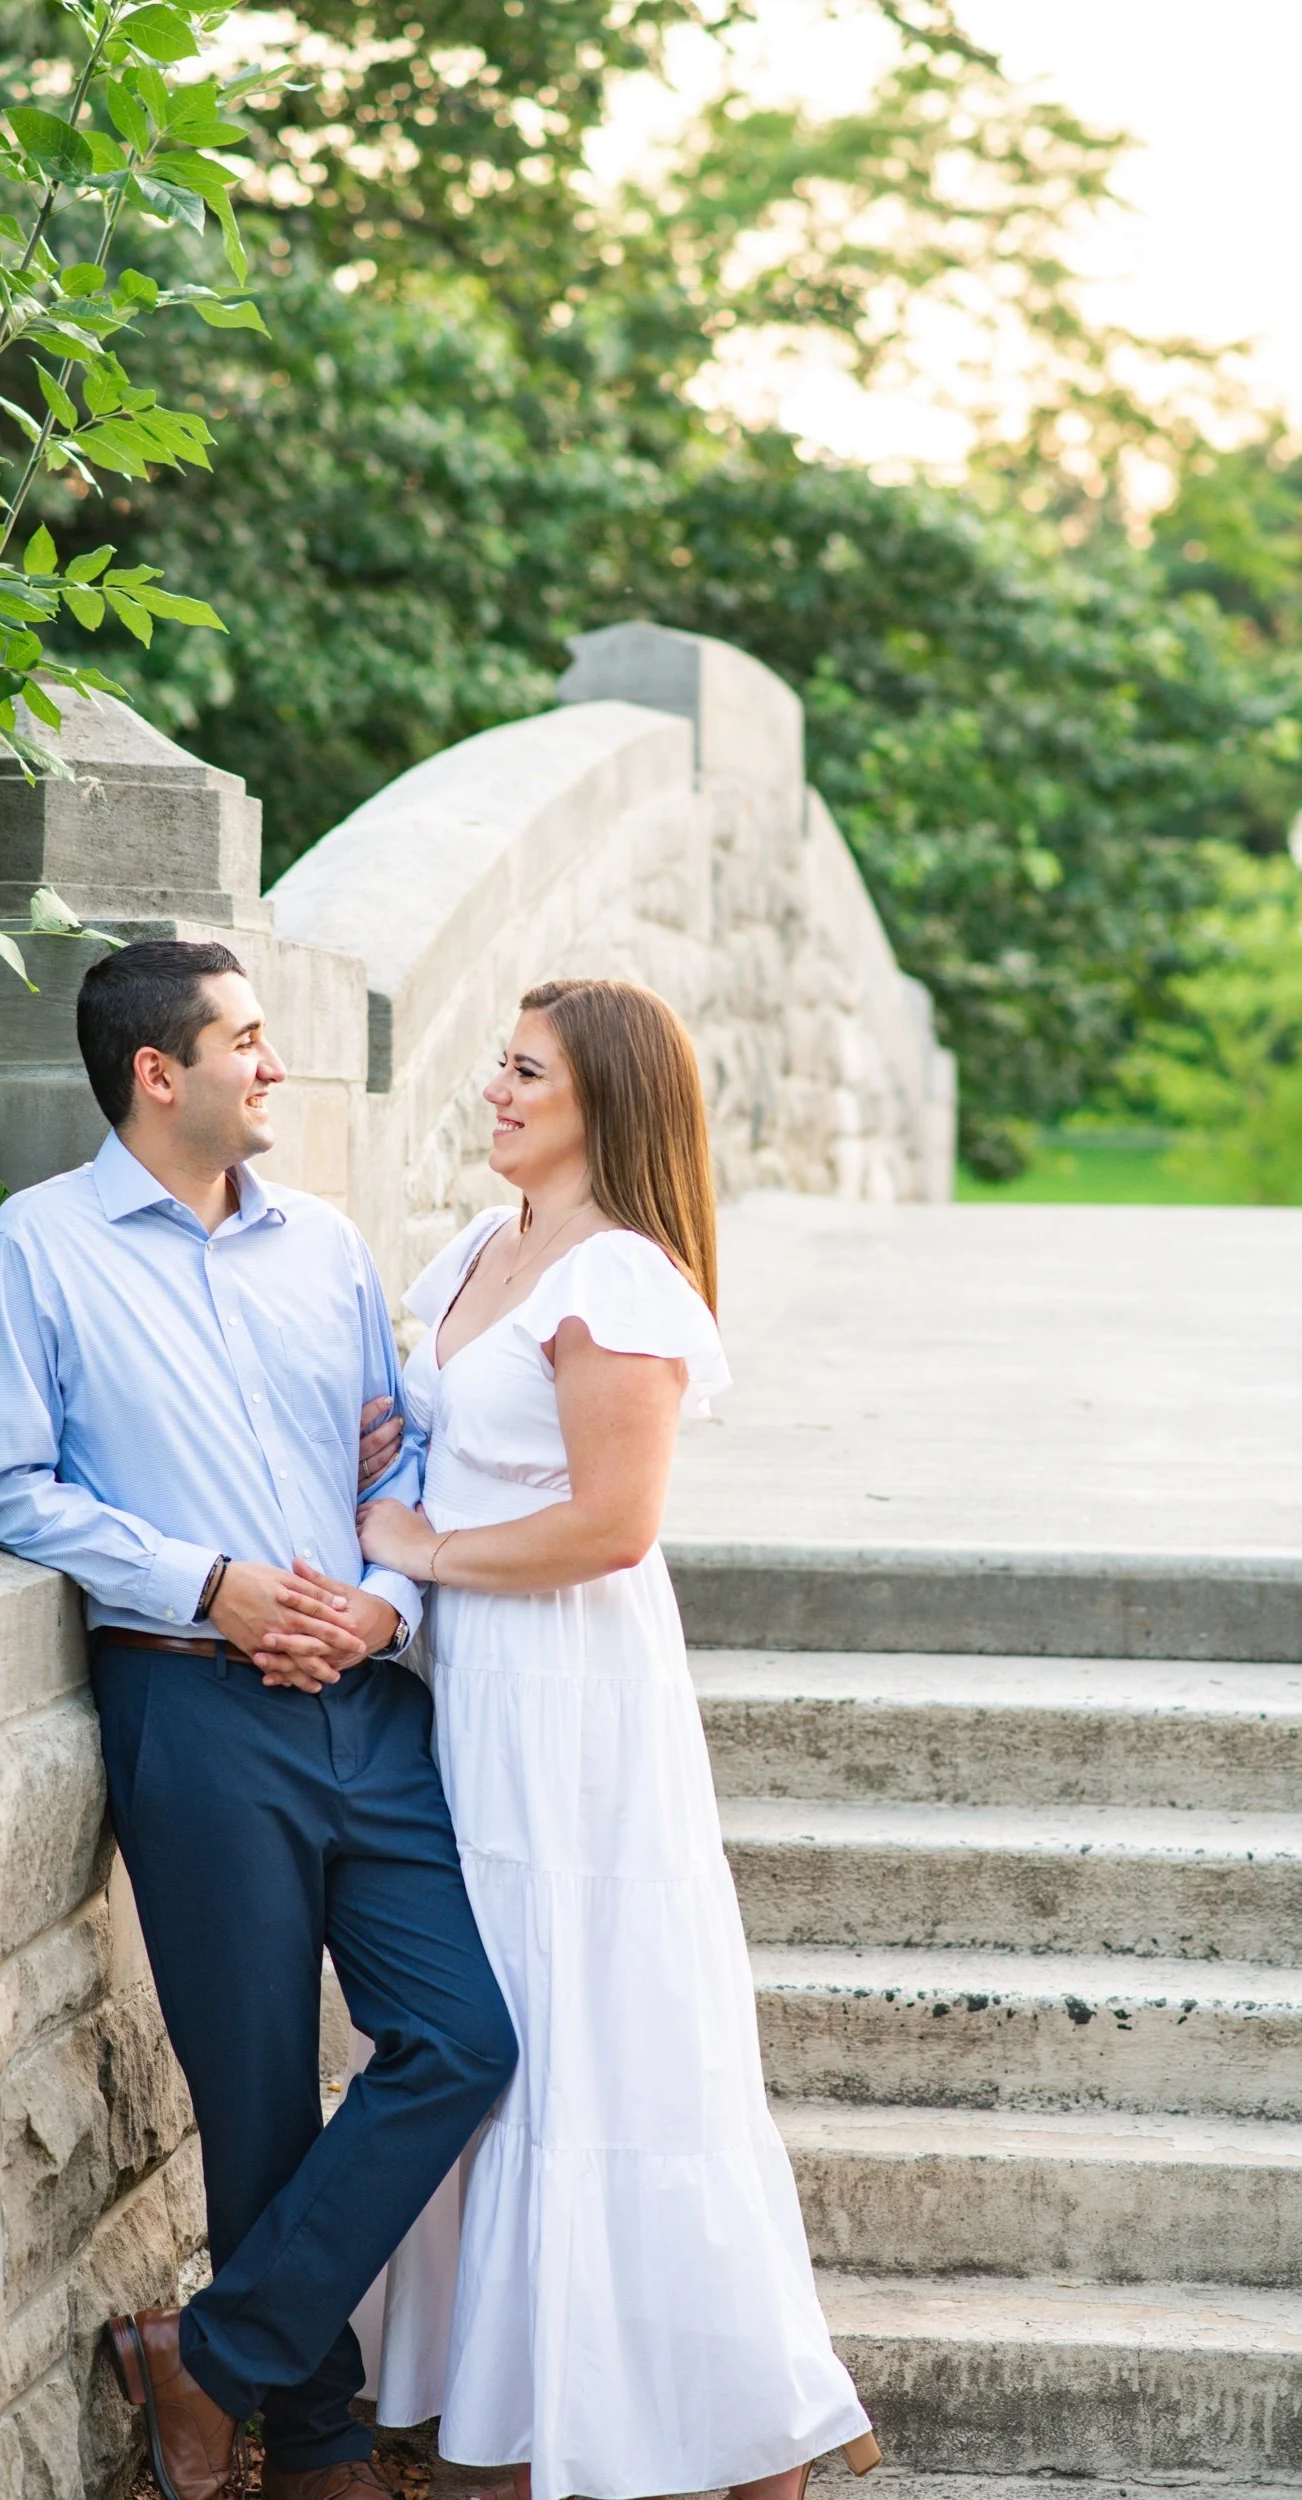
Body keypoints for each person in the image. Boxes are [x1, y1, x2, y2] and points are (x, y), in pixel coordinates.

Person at [0, 938, 517, 2500]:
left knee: (466, 2037)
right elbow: (3, 1485)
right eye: (247, 1041)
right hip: (193, 1714)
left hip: (366, 1706)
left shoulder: (323, 1245)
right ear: (157, 1072)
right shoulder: (40, 1248)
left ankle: (208, 2356)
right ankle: (314, 2445)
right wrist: (208, 1585)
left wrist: (381, 1604)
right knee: (254, 2089)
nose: (272, 1066)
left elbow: (392, 1460)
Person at [355, 977, 879, 2500]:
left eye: (526, 1073)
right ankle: (511, 2401)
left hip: (572, 1704)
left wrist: (425, 1550)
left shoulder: (620, 1282)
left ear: (608, 1103)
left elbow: (610, 1525)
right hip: (470, 1701)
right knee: (500, 2037)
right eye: (497, 1064)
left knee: (606, 2034)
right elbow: (435, 1445)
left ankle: (712, 2421)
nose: (492, 1091)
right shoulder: (475, 1249)